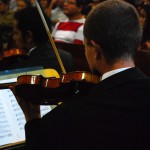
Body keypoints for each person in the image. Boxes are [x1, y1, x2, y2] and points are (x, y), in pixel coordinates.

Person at [13, 0, 150, 149]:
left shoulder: (66, 119)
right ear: (136, 45)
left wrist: (33, 121)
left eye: (85, 46)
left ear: (96, 51)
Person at [7, 6, 73, 74]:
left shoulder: (21, 68)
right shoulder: (66, 57)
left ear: (28, 36)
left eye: (16, 33)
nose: (14, 37)